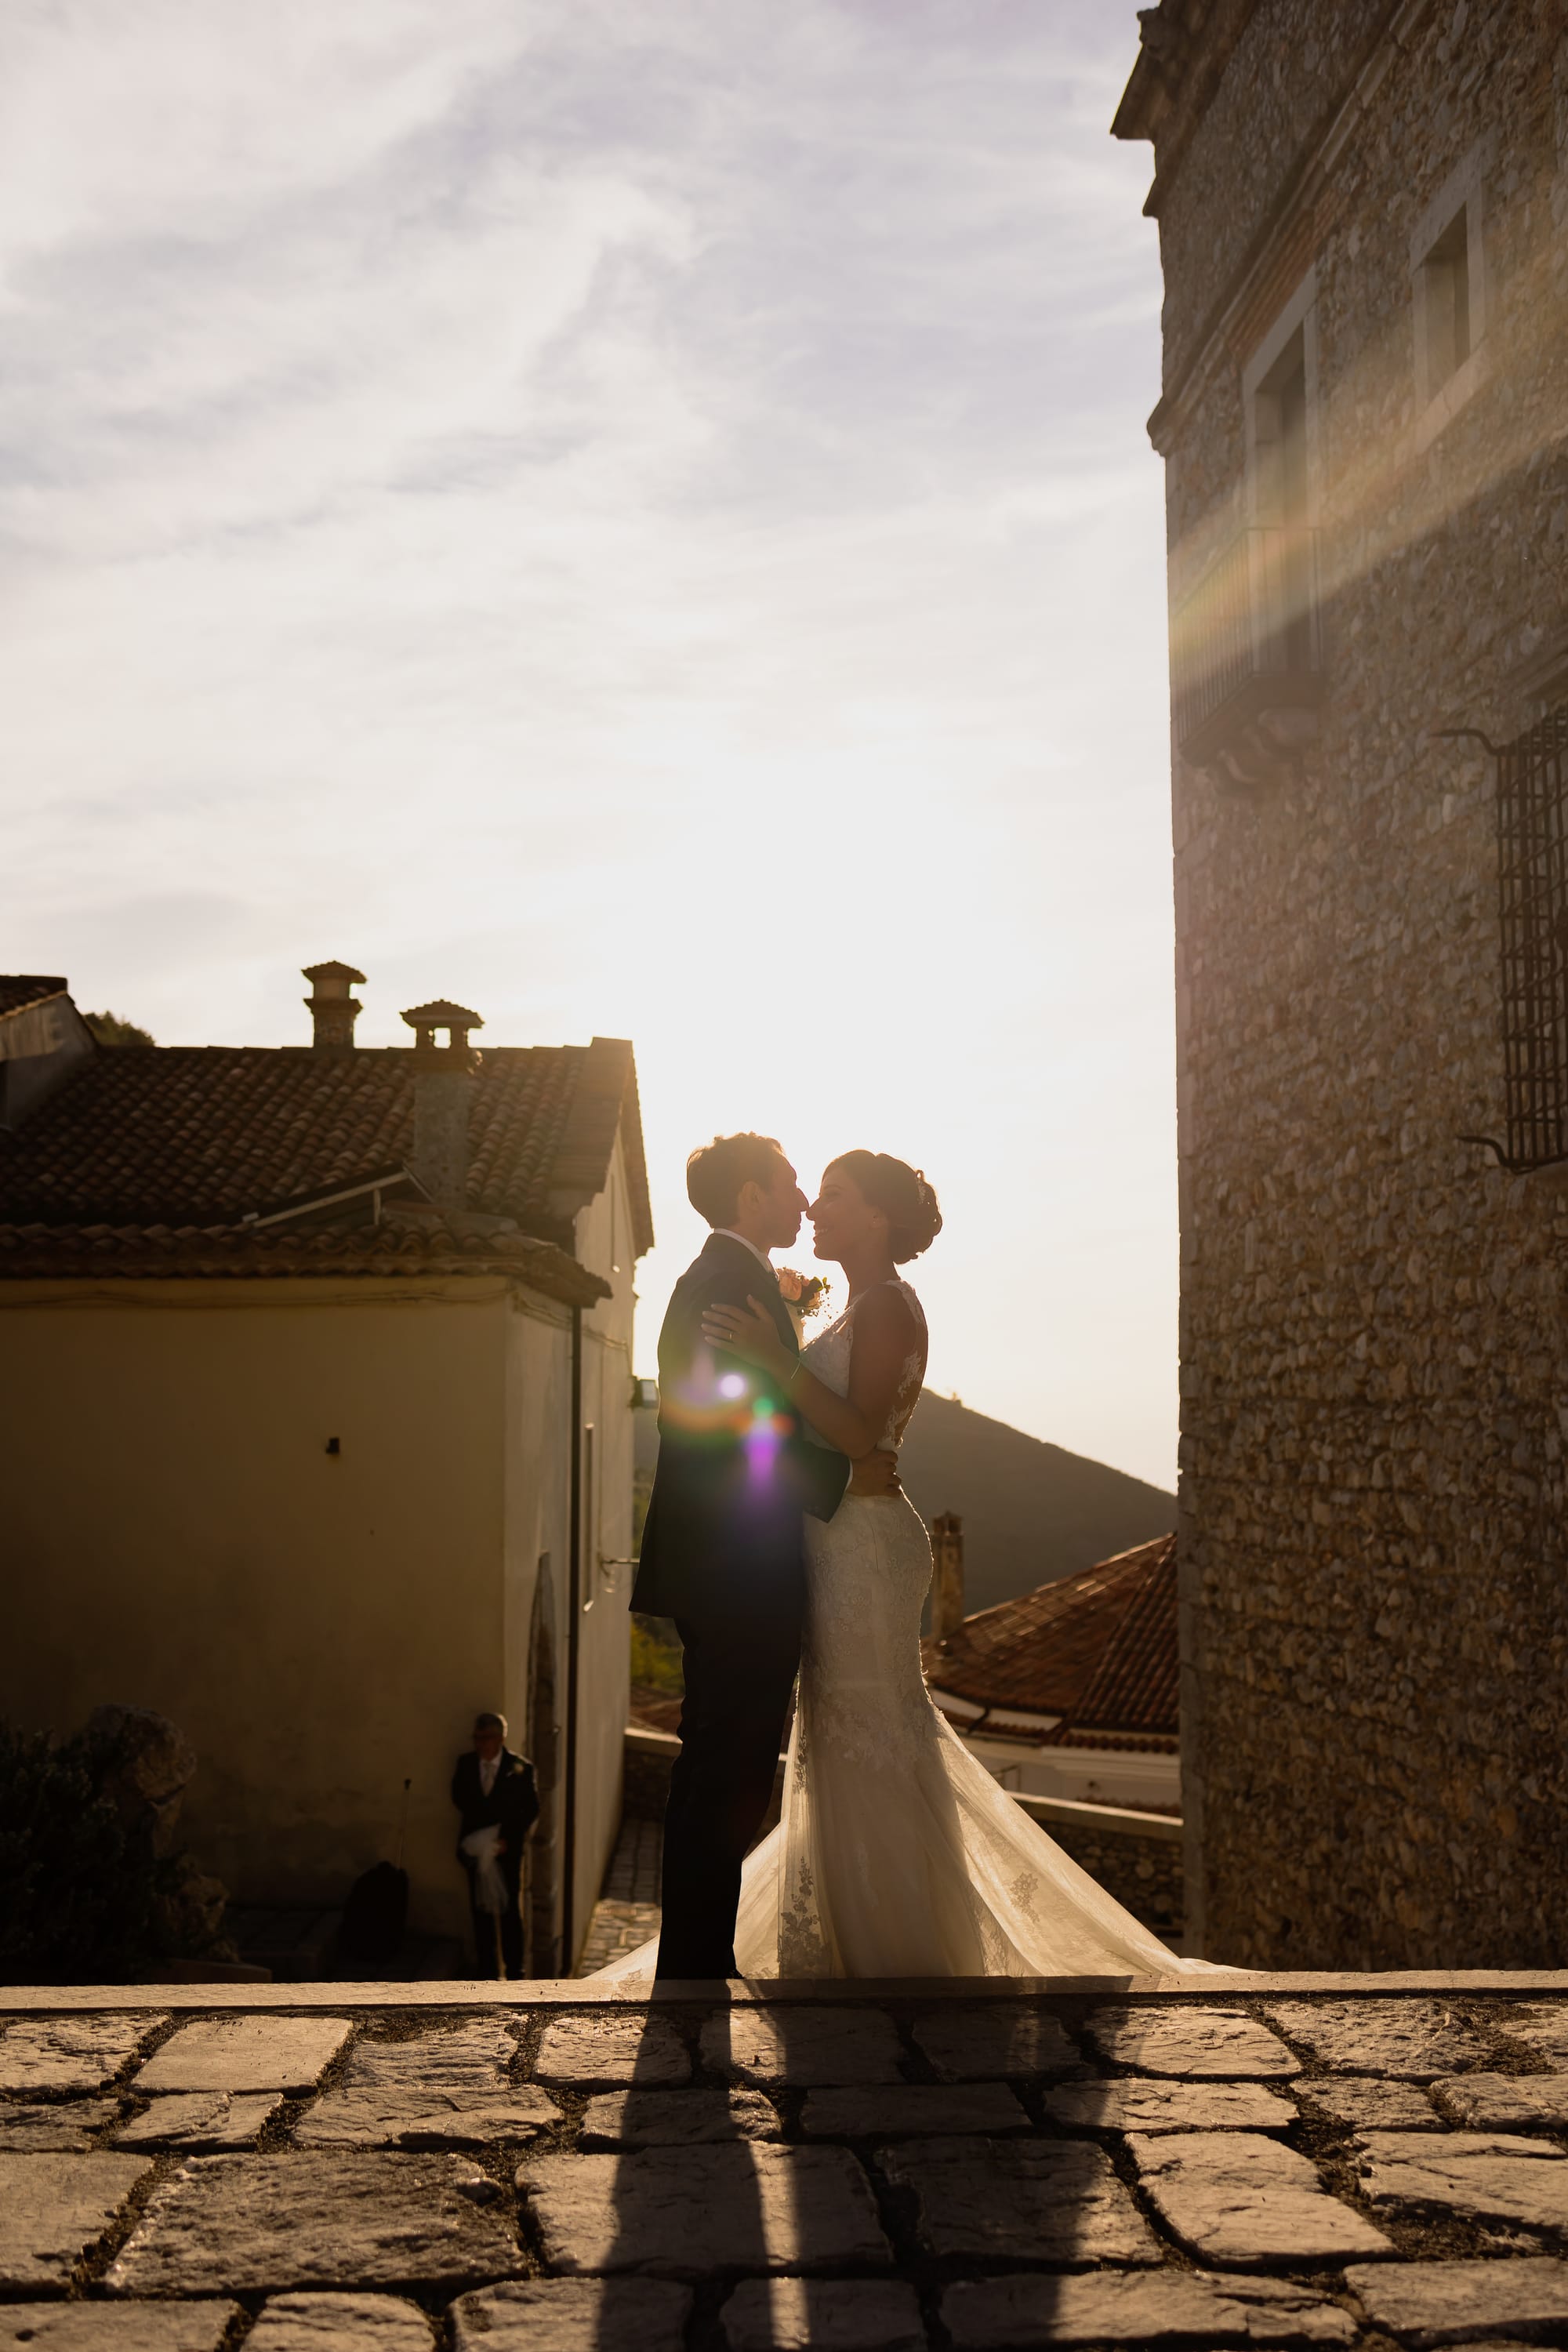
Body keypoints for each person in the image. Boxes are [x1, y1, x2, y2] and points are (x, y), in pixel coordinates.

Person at [602, 1150, 1227, 1981]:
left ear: (877, 1218)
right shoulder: (796, 1296)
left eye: (829, 1195)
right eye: (805, 1190)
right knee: (805, 1741)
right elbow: (737, 1426)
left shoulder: (888, 1305)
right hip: (814, 1535)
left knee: (865, 1729)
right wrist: (814, 1445)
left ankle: (897, 1945)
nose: (812, 1206)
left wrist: (789, 1374)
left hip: (858, 1544)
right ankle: (802, 1942)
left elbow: (858, 1435)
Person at [630, 1132, 903, 1980]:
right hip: (734, 1565)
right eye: (790, 1185)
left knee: (723, 1757)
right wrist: (841, 1470)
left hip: (726, 1562)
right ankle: (696, 1967)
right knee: (728, 1761)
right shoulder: (724, 1283)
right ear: (751, 1197)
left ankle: (697, 1959)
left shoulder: (732, 1279)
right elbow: (714, 1424)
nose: (801, 1203)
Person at [450, 1711, 538, 1979]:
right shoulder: (465, 1764)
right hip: (476, 1850)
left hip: (506, 1851)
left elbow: (530, 1809)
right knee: (480, 1910)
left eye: (486, 1738)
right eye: (477, 1738)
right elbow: (458, 1797)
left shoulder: (520, 1768)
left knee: (510, 1909)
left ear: (500, 1738)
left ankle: (515, 1971)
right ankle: (486, 1972)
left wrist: (506, 1840)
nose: (480, 1744)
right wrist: (480, 1839)